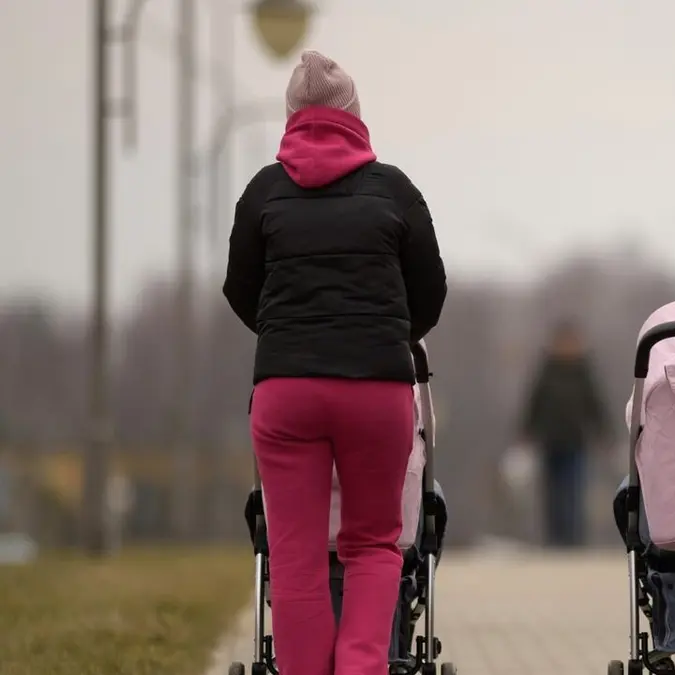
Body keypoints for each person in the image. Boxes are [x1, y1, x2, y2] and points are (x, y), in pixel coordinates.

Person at [223, 50, 447, 675]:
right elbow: (430, 294)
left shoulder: (264, 192)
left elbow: (240, 290)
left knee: (295, 555)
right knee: (373, 543)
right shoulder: (394, 190)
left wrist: (288, 337)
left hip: (286, 393)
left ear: (292, 116)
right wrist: (384, 337)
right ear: (354, 115)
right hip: (376, 391)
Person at [519, 320, 611, 548]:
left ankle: (574, 539)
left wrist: (604, 433)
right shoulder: (547, 371)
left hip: (576, 441)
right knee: (552, 492)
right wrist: (526, 433)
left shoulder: (583, 372)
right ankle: (555, 539)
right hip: (551, 441)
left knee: (574, 491)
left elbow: (595, 405)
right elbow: (534, 404)